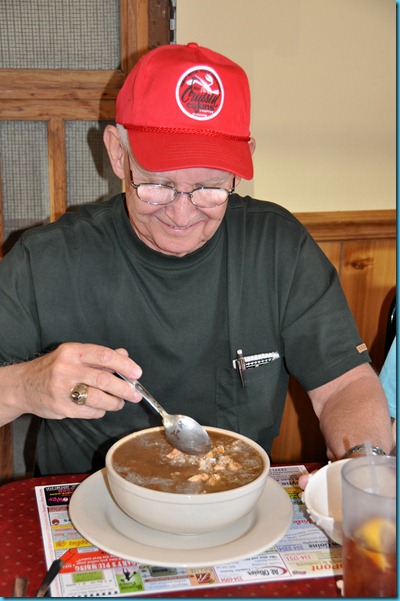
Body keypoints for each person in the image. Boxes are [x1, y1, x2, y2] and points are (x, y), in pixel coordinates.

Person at [0, 42, 393, 475]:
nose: (182, 214)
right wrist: (25, 386)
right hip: (85, 501)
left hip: (237, 501)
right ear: (118, 154)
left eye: (209, 187)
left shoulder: (277, 247)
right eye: (159, 185)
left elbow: (345, 385)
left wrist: (365, 472)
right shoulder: (45, 259)